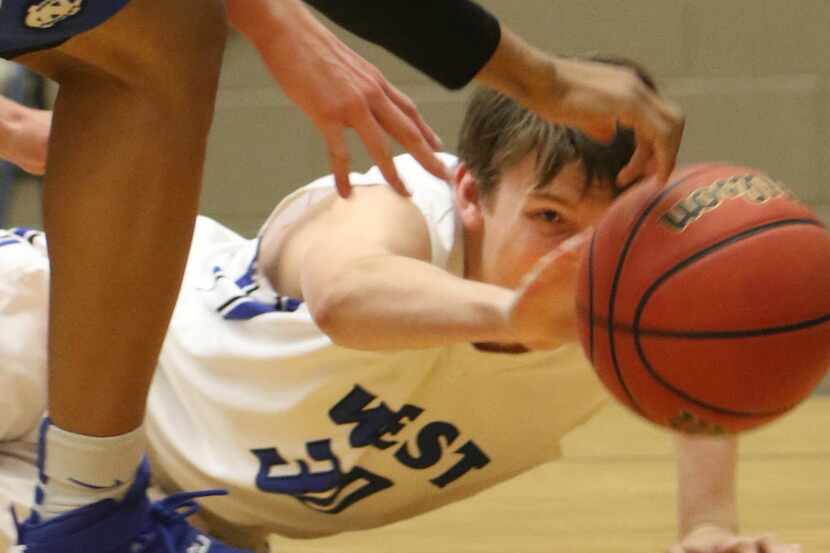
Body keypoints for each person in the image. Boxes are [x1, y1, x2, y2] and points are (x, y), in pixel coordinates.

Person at [0, 74, 790, 552]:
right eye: (550, 219)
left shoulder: (634, 303)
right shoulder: (404, 199)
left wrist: (710, 525)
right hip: (61, 333)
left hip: (164, 504)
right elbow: (348, 293)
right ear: (473, 194)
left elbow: (703, 374)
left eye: (608, 228)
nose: (578, 258)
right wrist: (514, 313)